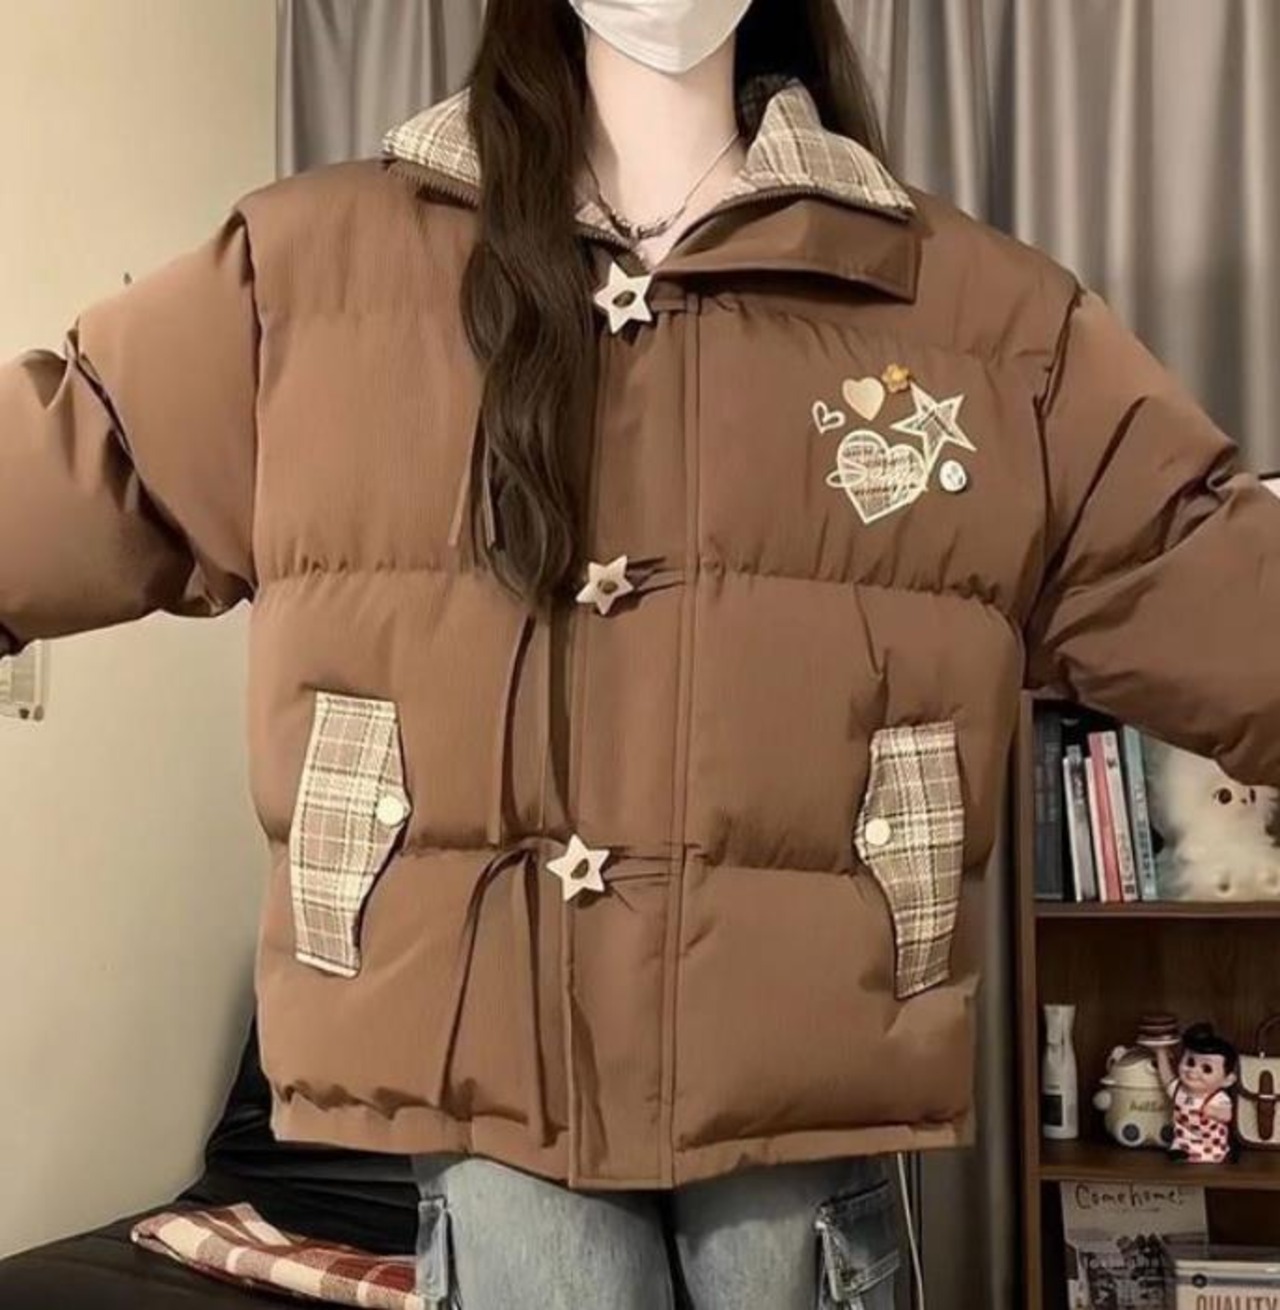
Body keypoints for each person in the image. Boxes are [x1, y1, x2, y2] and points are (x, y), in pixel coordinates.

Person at [4, 0, 1280, 1306]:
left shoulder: (974, 318)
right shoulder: (312, 276)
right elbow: (82, 454)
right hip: (485, 1060)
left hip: (800, 1070)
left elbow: (1192, 565)